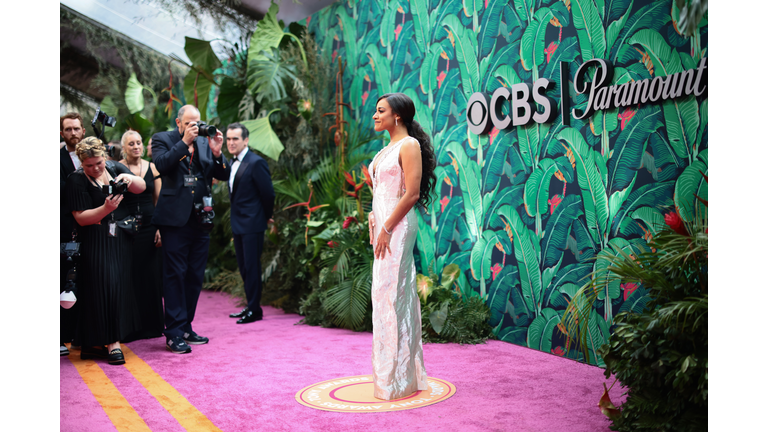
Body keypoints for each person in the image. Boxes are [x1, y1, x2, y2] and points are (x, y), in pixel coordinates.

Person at [368, 92, 437, 400]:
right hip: (383, 228)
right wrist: (373, 216)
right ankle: (394, 377)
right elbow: (383, 191)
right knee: (384, 296)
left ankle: (397, 380)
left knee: (393, 296)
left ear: (397, 115)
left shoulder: (409, 145)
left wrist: (386, 226)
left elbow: (411, 194)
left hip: (397, 229)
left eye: (380, 110)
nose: (374, 115)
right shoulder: (387, 149)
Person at [151, 105, 228, 354]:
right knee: (175, 275)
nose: (195, 126)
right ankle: (173, 333)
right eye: (190, 122)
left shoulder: (206, 144)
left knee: (195, 276)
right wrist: (184, 142)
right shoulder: (163, 138)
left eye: (198, 121)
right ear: (178, 122)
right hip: (174, 220)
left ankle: (185, 326)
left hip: (201, 219)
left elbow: (221, 175)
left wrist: (217, 153)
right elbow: (161, 165)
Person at [66, 137, 147, 365]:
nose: (95, 168)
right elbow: (81, 219)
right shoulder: (76, 180)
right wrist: (106, 208)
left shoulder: (114, 167)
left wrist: (130, 178)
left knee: (117, 286)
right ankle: (112, 343)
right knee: (104, 287)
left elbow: (142, 187)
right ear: (81, 162)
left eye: (98, 163)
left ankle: (92, 344)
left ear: (105, 157)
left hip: (118, 239)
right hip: (95, 240)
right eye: (88, 165)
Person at [222, 123, 275, 324]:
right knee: (244, 267)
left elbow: (268, 193)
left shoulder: (256, 162)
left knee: (252, 267)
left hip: (253, 223)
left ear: (246, 140)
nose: (231, 142)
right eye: (228, 139)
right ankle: (250, 306)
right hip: (238, 223)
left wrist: (265, 215)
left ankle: (255, 310)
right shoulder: (231, 162)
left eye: (235, 139)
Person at [119, 130, 165, 342]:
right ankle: (131, 328)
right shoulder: (116, 167)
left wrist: (159, 228)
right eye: (131, 144)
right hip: (127, 230)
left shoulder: (153, 167)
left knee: (151, 276)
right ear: (124, 147)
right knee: (130, 277)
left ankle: (152, 326)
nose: (136, 146)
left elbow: (159, 200)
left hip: (149, 227)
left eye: (138, 142)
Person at [60, 112, 86, 356]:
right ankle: (60, 335)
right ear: (62, 133)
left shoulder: (93, 157)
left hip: (91, 228)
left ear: (83, 131)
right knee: (63, 280)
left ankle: (82, 334)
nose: (73, 133)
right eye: (68, 129)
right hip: (65, 228)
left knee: (87, 279)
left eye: (76, 128)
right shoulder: (56, 158)